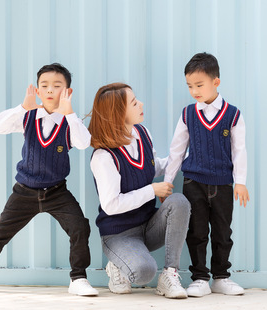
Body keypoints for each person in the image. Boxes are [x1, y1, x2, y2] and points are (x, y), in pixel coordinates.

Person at [0, 63, 98, 296]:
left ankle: (78, 278)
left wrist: (69, 112)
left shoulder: (70, 122)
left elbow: (84, 143)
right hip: (24, 191)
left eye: (57, 86)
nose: (50, 90)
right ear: (37, 90)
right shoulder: (28, 116)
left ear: (67, 91)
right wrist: (24, 106)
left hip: (57, 192)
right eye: (44, 85)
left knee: (79, 227)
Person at [88, 83, 191, 299]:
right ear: (118, 113)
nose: (140, 104)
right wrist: (152, 190)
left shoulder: (142, 133)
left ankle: (169, 275)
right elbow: (111, 205)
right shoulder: (103, 157)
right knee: (143, 272)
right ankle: (117, 264)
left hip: (148, 226)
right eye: (134, 102)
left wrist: (186, 158)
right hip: (119, 233)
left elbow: (153, 167)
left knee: (179, 202)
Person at [164, 52, 250, 297]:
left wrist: (240, 182)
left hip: (223, 184)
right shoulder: (188, 114)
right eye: (190, 86)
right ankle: (200, 277)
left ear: (216, 82)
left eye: (199, 85)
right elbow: (176, 150)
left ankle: (221, 277)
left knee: (223, 232)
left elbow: (239, 150)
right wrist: (168, 181)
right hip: (194, 182)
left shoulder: (233, 114)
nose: (194, 91)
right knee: (196, 231)